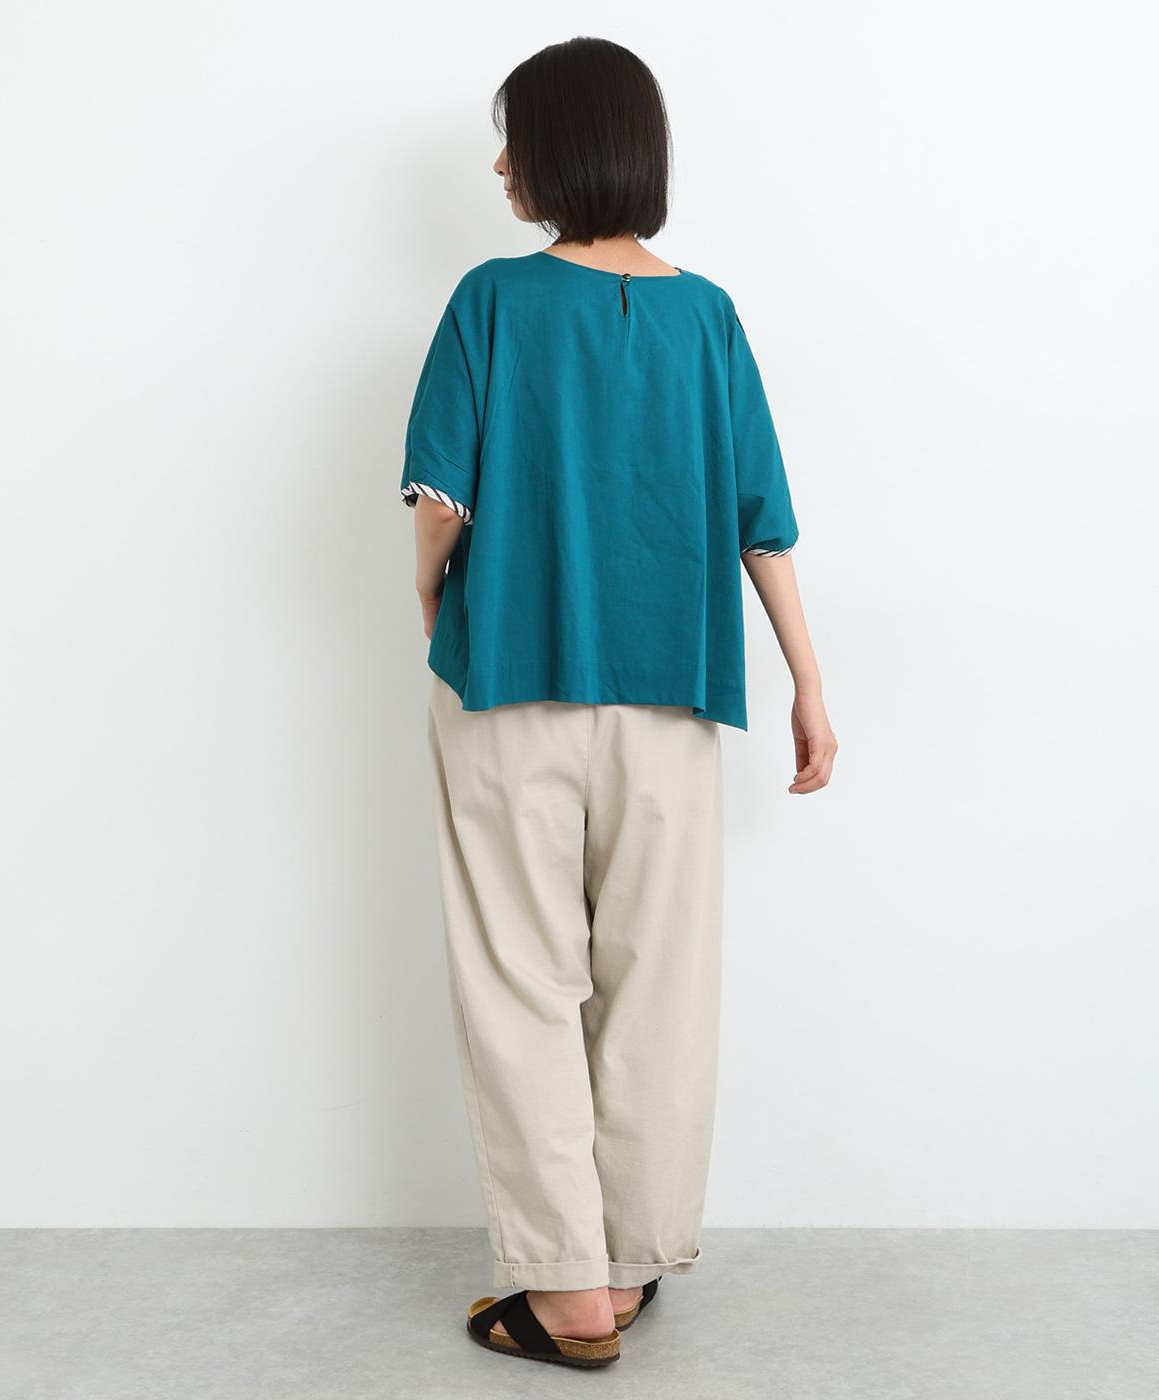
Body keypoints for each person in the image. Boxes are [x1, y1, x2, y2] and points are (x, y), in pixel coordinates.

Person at [399, 36, 837, 1370]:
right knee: (660, 981)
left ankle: (567, 1290)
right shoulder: (710, 318)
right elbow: (763, 521)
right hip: (673, 697)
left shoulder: (492, 300)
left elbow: (440, 500)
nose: (500, 165)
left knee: (522, 980)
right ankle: (632, 1262)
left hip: (507, 683)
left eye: (513, 138)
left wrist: (434, 596)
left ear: (558, 149)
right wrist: (810, 682)